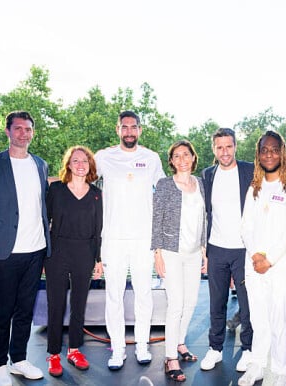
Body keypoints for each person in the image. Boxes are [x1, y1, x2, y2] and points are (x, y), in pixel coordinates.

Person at [94, 110, 165, 370]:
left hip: (143, 239)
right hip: (112, 239)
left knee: (143, 294)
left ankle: (143, 346)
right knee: (114, 295)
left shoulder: (152, 158)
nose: (129, 132)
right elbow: (81, 179)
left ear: (140, 130)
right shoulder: (104, 157)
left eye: (134, 127)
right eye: (125, 127)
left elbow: (166, 194)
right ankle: (118, 349)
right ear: (117, 130)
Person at [0, 111, 50, 386]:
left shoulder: (40, 164)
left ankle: (19, 359)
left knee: (25, 309)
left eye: (28, 129)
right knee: (2, 310)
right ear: (8, 132)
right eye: (18, 128)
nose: (24, 133)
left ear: (33, 132)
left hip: (35, 250)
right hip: (4, 251)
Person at [238, 131, 286, 386]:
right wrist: (255, 255)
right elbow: (245, 226)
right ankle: (257, 366)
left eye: (274, 149)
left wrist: (269, 259)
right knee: (258, 319)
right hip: (253, 264)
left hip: (279, 265)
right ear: (258, 154)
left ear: (282, 152)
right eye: (264, 150)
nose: (269, 154)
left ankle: (281, 371)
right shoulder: (254, 187)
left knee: (278, 320)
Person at [45, 145, 103, 377]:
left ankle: (74, 349)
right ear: (68, 164)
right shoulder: (56, 190)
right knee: (56, 305)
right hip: (57, 252)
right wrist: (44, 254)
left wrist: (97, 259)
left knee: (79, 305)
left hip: (84, 253)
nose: (80, 165)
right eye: (76, 161)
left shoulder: (97, 194)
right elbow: (44, 221)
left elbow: (97, 230)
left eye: (85, 161)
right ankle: (54, 354)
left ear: (90, 166)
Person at [152, 140, 207, 382]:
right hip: (171, 252)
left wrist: (204, 248)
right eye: (177, 155)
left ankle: (180, 342)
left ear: (193, 158)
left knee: (191, 302)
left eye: (186, 154)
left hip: (194, 253)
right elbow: (156, 218)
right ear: (171, 161)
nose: (182, 159)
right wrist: (157, 253)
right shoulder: (164, 185)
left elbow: (204, 218)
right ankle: (170, 357)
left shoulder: (201, 184)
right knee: (176, 304)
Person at [200, 128, 254, 372]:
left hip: (244, 248)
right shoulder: (208, 175)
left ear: (235, 146)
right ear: (214, 149)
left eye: (228, 146)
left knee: (247, 302)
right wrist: (204, 248)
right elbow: (205, 213)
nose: (224, 152)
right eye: (219, 147)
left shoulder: (250, 171)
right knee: (217, 302)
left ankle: (248, 349)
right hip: (217, 248)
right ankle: (215, 349)